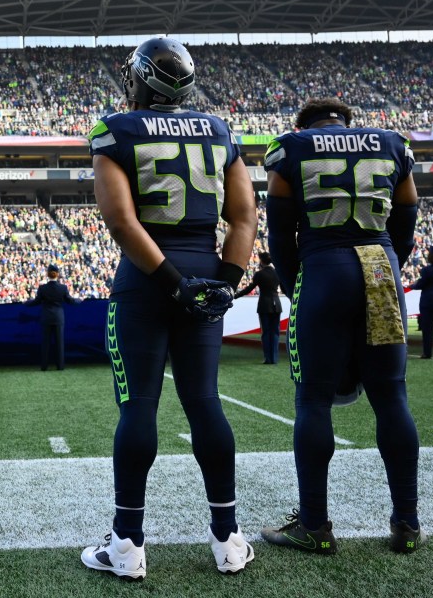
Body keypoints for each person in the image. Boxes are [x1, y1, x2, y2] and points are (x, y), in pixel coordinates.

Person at [82, 37, 257, 581]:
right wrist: (223, 283)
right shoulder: (219, 130)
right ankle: (228, 540)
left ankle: (128, 546)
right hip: (203, 274)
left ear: (139, 79)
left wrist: (171, 282)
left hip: (147, 278)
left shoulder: (116, 129)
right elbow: (246, 217)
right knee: (205, 402)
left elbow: (121, 222)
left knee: (138, 406)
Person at [260, 97, 424, 556]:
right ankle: (407, 523)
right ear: (345, 121)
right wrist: (387, 265)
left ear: (304, 124)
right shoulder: (394, 144)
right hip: (379, 263)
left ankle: (314, 523)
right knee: (391, 395)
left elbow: (279, 234)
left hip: (323, 264)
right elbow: (407, 219)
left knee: (313, 397)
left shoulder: (290, 147)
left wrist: (299, 286)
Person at [25, 264, 81, 371]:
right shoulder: (63, 288)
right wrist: (80, 300)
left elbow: (36, 302)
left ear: (47, 274)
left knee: (45, 343)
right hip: (58, 318)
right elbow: (71, 301)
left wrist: (25, 303)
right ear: (57, 274)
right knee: (59, 343)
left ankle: (44, 366)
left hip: (46, 317)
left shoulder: (42, 288)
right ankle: (60, 366)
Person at [236, 252, 283, 364]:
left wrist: (236, 296)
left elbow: (249, 289)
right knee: (275, 332)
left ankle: (268, 358)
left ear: (261, 261)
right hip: (277, 304)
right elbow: (284, 288)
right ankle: (274, 358)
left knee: (266, 332)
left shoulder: (259, 274)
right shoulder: (277, 273)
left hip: (264, 305)